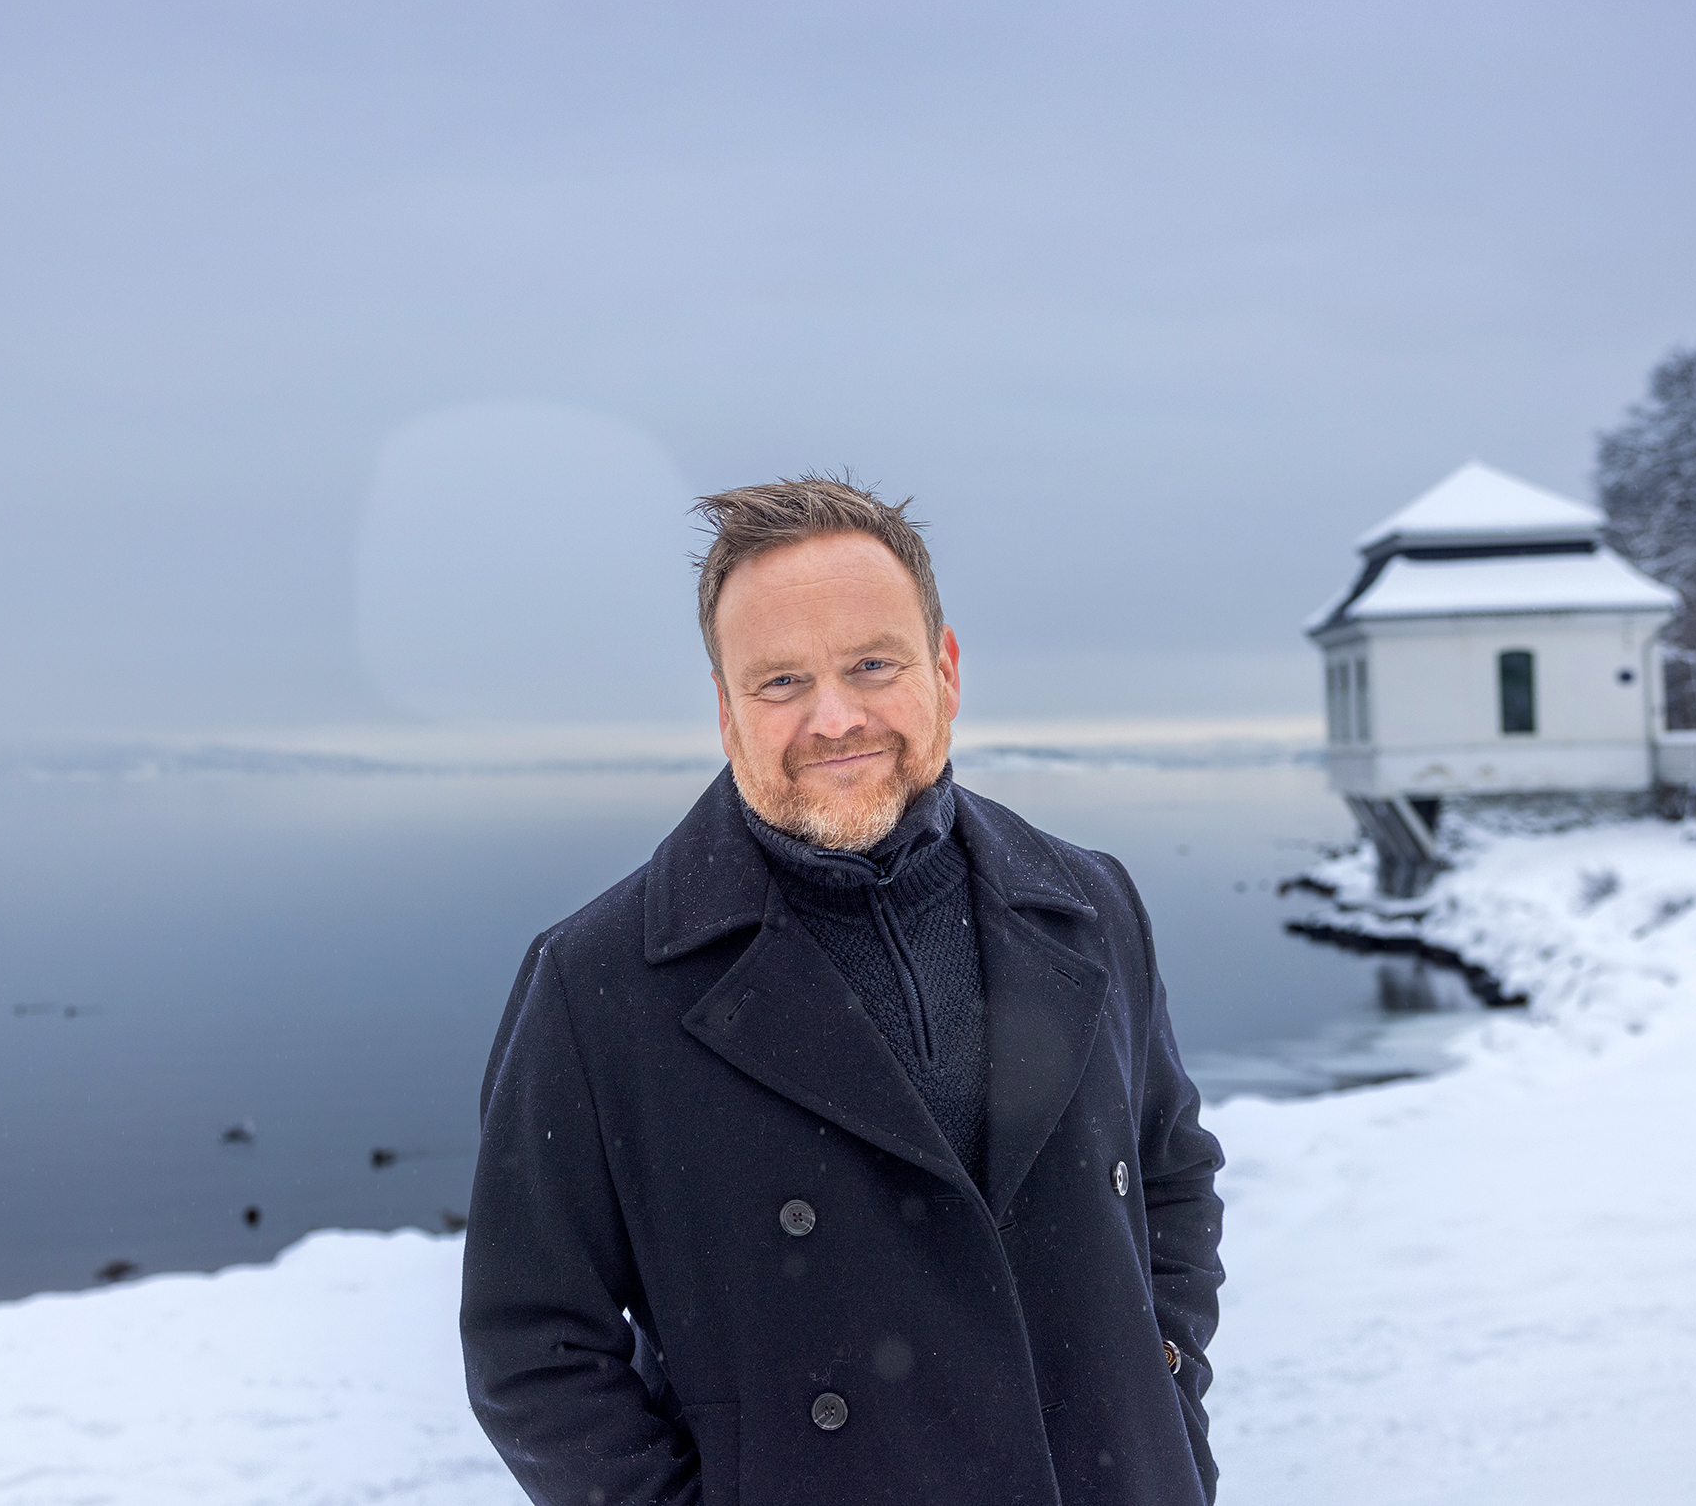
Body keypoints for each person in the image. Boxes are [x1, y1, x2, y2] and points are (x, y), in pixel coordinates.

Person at [461, 475, 1224, 1505]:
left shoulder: (1088, 903)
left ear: (944, 672)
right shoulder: (597, 983)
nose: (834, 717)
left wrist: (1164, 1397)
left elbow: (1171, 1176)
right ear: (725, 713)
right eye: (779, 682)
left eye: (872, 664)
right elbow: (533, 1349)